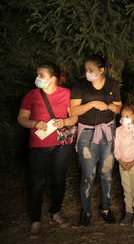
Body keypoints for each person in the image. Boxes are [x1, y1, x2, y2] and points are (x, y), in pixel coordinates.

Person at [17, 62, 77, 238]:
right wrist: (35, 123)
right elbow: (21, 118)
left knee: (59, 179)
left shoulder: (66, 94)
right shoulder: (32, 95)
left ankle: (56, 211)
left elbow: (74, 117)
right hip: (38, 145)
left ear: (53, 78)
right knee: (37, 182)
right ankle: (35, 220)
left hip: (62, 144)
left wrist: (64, 122)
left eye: (41, 75)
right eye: (37, 75)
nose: (37, 78)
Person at [71, 54, 121, 226]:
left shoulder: (112, 84)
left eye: (91, 70)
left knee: (106, 173)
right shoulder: (79, 85)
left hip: (108, 132)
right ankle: (86, 211)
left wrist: (113, 107)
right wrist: (92, 104)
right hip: (86, 134)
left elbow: (119, 107)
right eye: (86, 70)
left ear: (102, 70)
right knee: (88, 175)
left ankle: (106, 208)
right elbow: (74, 111)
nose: (88, 73)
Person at [114, 105, 134, 226]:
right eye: (122, 116)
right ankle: (128, 212)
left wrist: (132, 163)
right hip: (123, 165)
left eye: (127, 116)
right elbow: (116, 148)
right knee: (126, 189)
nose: (124, 119)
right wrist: (121, 162)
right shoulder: (118, 131)